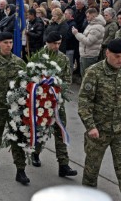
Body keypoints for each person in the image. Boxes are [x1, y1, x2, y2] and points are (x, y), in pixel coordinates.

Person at [78, 38, 121, 201]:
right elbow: (84, 102)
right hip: (99, 130)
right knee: (92, 168)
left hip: (120, 129)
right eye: (117, 56)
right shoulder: (94, 72)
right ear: (107, 53)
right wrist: (90, 126)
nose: (120, 60)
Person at [0, 32, 29, 185]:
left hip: (15, 109)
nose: (9, 45)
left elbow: (25, 83)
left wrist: (21, 99)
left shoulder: (19, 62)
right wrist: (6, 100)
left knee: (17, 136)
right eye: (5, 42)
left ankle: (20, 170)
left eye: (10, 42)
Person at [32, 31, 77, 178]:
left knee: (60, 131)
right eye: (54, 44)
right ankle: (35, 153)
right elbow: (31, 79)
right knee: (41, 130)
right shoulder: (39, 57)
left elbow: (67, 79)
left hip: (57, 102)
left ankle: (63, 165)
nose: (57, 46)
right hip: (42, 101)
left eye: (59, 44)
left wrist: (59, 90)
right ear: (48, 42)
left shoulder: (63, 58)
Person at [72, 8, 105, 76]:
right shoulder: (92, 24)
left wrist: (76, 34)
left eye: (88, 16)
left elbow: (88, 41)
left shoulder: (97, 27)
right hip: (86, 54)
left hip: (89, 56)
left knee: (87, 77)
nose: (87, 18)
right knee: (84, 76)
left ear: (93, 16)